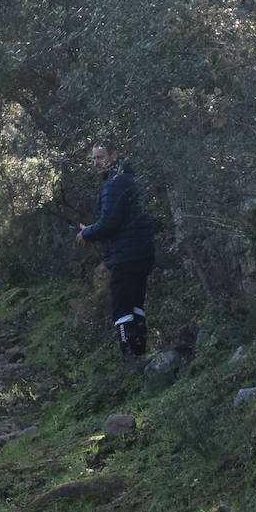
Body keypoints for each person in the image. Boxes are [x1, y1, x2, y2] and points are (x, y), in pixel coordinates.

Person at [74, 144, 157, 356]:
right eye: (93, 159)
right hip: (143, 253)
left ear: (114, 155)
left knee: (122, 310)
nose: (96, 163)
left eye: (100, 157)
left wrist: (87, 233)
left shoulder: (115, 184)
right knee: (136, 306)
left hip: (125, 256)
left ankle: (130, 358)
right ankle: (140, 352)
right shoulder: (132, 179)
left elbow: (110, 222)